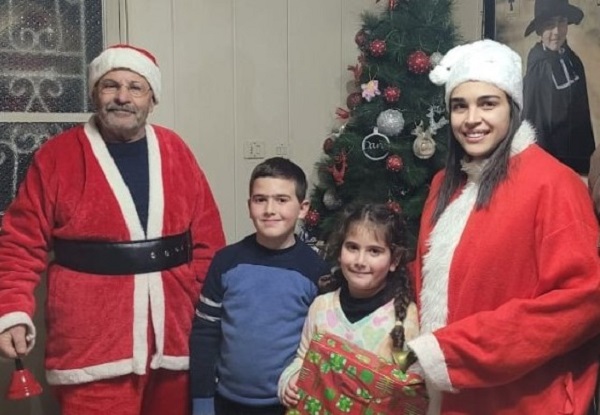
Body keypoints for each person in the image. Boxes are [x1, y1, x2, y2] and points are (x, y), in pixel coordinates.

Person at [0, 44, 226, 415]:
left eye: (135, 87)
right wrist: (12, 310)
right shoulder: (57, 156)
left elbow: (208, 242)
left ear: (152, 99)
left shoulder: (176, 151)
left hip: (174, 340)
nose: (123, 97)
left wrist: (206, 317)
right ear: (95, 94)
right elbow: (20, 244)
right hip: (91, 345)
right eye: (111, 86)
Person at [409, 38, 600, 414]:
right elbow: (436, 280)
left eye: (487, 103)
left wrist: (454, 351)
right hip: (451, 401)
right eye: (459, 106)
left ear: (512, 107)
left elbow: (583, 301)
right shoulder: (443, 185)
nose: (471, 119)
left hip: (523, 401)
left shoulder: (554, 184)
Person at [189, 156, 330, 415]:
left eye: (282, 200)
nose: (269, 209)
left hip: (287, 405)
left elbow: (321, 344)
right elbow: (205, 334)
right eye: (260, 199)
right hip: (225, 403)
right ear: (249, 205)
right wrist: (202, 401)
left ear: (303, 208)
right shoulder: (226, 262)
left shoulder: (315, 270)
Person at [278, 202, 419, 409]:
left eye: (374, 251)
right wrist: (290, 381)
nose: (360, 261)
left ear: (394, 259)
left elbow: (411, 389)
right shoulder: (321, 306)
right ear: (340, 250)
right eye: (352, 247)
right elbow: (302, 357)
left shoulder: (406, 318)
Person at [522, 0, 595, 174]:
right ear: (539, 30)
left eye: (561, 22)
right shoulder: (539, 68)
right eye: (549, 24)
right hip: (550, 158)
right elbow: (535, 122)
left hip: (576, 155)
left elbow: (582, 116)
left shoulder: (573, 62)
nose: (556, 31)